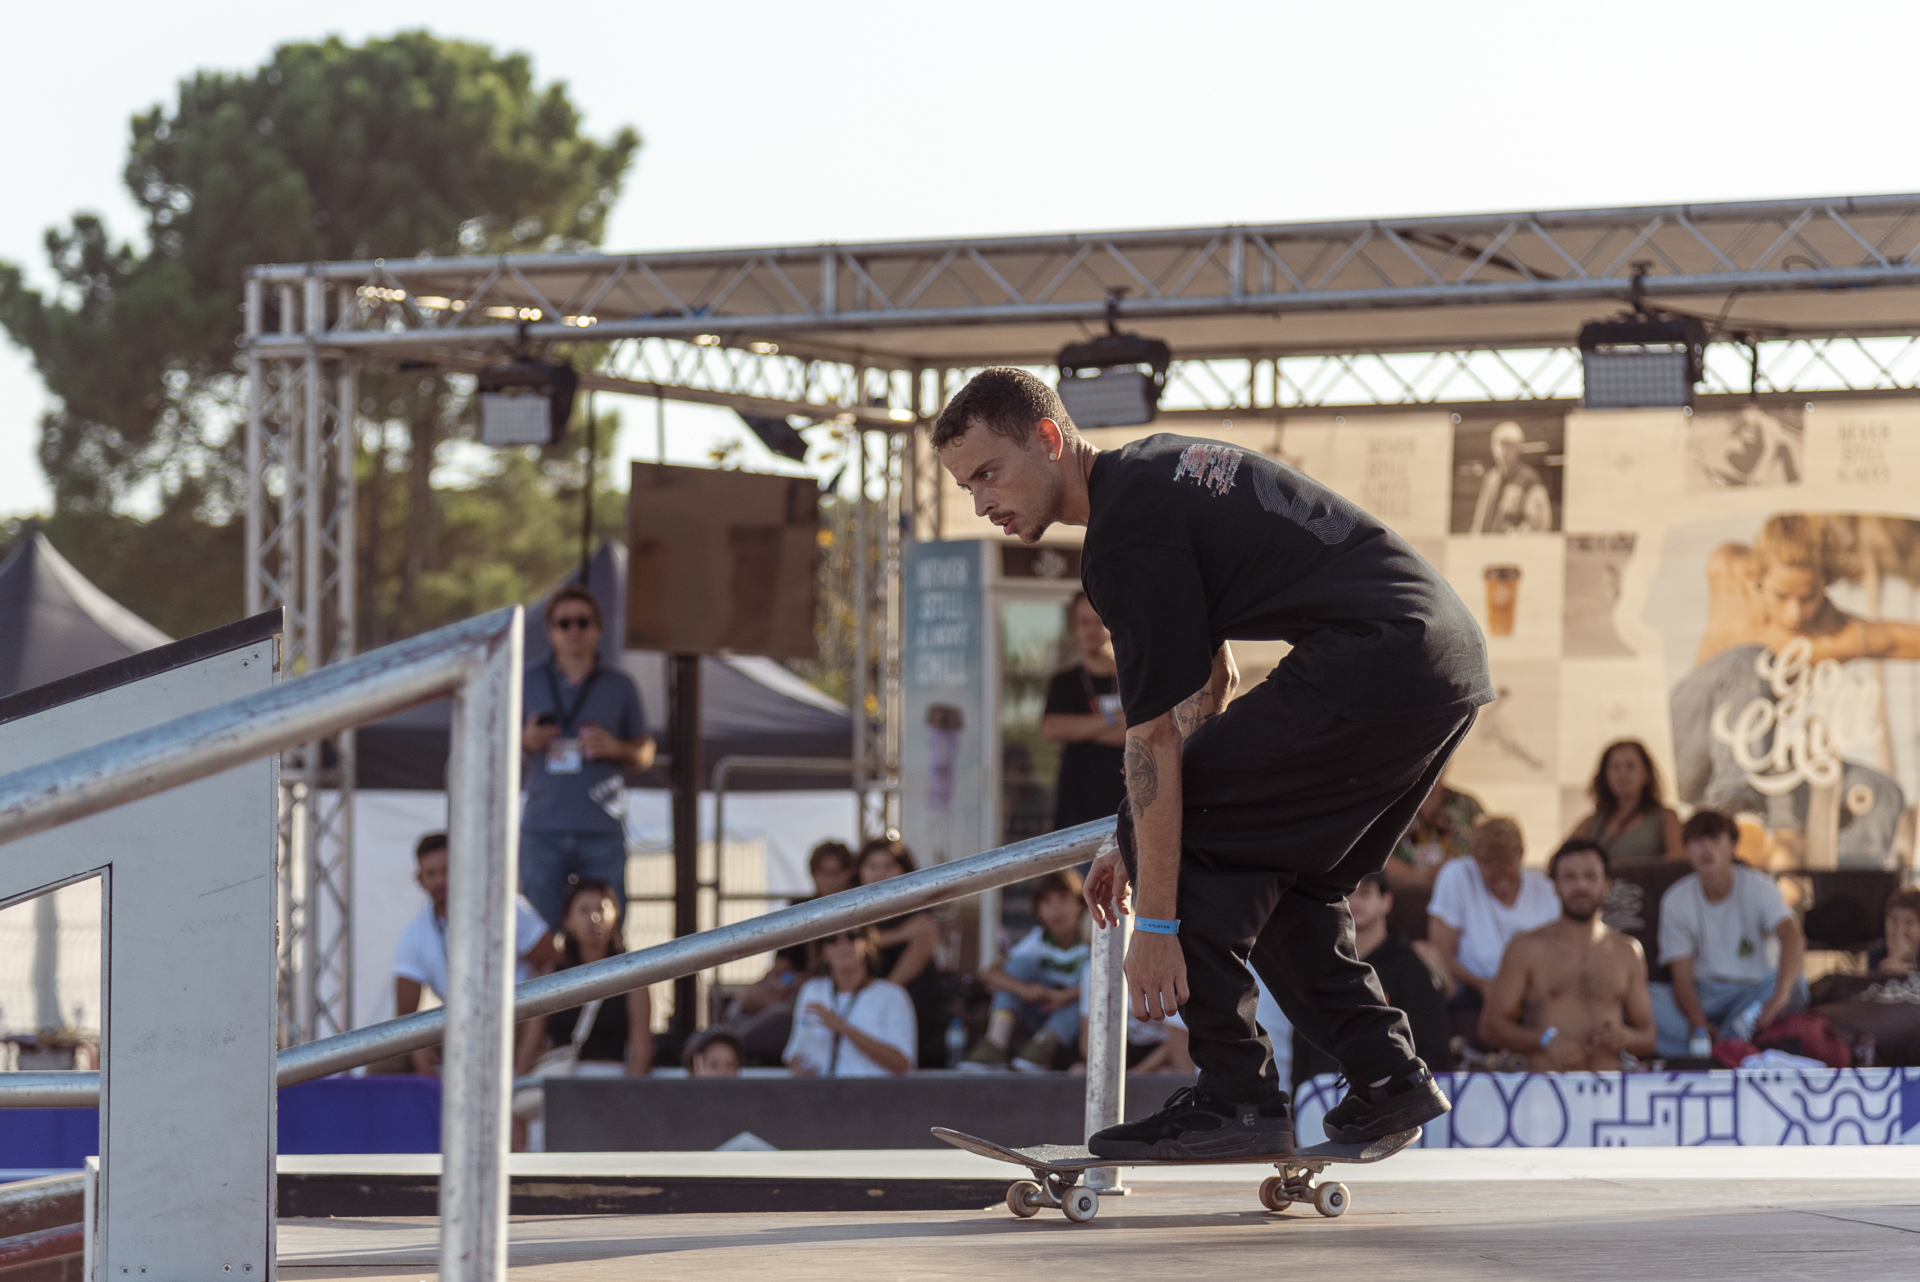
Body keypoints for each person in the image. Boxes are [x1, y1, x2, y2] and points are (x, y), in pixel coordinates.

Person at [933, 367, 1493, 1160]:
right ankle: (1386, 1074)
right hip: (1441, 661)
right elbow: (1213, 683)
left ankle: (1237, 1095)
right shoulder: (1155, 474)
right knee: (1290, 878)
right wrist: (1133, 831)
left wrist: (1154, 919)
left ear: (1050, 440)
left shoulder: (1123, 536)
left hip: (1373, 662)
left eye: (989, 473)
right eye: (966, 487)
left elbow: (1153, 740)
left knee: (1178, 830)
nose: (982, 502)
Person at [520, 586, 656, 931]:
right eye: (564, 623)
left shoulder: (619, 685)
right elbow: (493, 743)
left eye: (583, 622)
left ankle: (608, 989)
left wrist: (616, 747)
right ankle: (544, 989)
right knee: (537, 934)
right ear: (550, 630)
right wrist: (524, 739)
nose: (574, 631)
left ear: (598, 628)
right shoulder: (525, 681)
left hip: (601, 828)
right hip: (542, 828)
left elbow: (645, 752)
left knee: (606, 931)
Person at [1477, 839, 1657, 1071]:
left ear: (1607, 885)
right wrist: (1544, 1040)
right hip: (1546, 1092)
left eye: (1590, 876)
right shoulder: (1526, 948)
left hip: (1609, 1095)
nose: (1580, 885)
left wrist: (1626, 1038)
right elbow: (1490, 1028)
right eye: (1569, 877)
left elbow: (1648, 1037)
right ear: (1555, 886)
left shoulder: (1628, 952)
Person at [393, 832, 559, 1076]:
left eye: (447, 870)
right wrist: (423, 1064)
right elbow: (406, 1015)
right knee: (382, 1065)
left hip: (521, 1023)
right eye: (431, 874)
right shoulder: (414, 934)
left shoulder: (506, 907)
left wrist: (530, 1038)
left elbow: (552, 962)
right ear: (419, 879)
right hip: (464, 1033)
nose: (440, 880)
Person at [1650, 810, 1808, 1057]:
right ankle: (1733, 1042)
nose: (1706, 849)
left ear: (1733, 847)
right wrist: (1697, 1019)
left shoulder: (1760, 886)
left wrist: (1779, 996)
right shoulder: (1676, 899)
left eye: (1715, 840)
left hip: (1753, 992)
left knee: (1796, 985)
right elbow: (1681, 976)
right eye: (1697, 842)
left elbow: (1792, 936)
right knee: (1643, 1000)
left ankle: (1712, 1046)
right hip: (1703, 996)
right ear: (1686, 850)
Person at [1291, 873, 1452, 1090]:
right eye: (1346, 894)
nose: (1354, 902)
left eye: (1365, 893)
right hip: (1323, 1098)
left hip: (1395, 1100)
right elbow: (1304, 1045)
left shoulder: (1411, 967)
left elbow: (1433, 1046)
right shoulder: (1322, 966)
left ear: (1386, 901)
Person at [725, 840, 856, 1063]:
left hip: (836, 994)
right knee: (750, 997)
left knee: (786, 1013)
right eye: (824, 873)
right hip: (796, 992)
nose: (831, 880)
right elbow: (781, 968)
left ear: (849, 874)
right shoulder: (800, 909)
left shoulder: (860, 907)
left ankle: (729, 1047)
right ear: (813, 875)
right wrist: (788, 980)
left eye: (837, 873)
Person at [516, 878, 652, 1079]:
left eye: (602, 909)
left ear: (615, 916)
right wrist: (516, 1093)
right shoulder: (552, 974)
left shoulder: (633, 976)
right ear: (567, 921)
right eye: (583, 910)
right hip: (560, 1083)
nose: (594, 917)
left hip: (612, 1084)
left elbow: (641, 1052)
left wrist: (625, 1101)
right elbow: (529, 1047)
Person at [1425, 818, 1559, 1015]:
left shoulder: (1546, 892)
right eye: (1493, 879)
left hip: (1531, 993)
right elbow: (1441, 952)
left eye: (1510, 877)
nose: (1503, 886)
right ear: (1475, 862)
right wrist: (1483, 985)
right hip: (1469, 989)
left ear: (1521, 858)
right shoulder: (1456, 875)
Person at [965, 870, 1089, 1072]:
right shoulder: (1037, 940)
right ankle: (996, 1042)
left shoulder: (1090, 942)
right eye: (1047, 902)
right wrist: (1023, 988)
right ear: (1038, 912)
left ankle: (1044, 1044)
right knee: (1017, 966)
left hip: (1071, 1025)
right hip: (1037, 1012)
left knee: (1083, 1002)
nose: (1057, 909)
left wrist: (1066, 995)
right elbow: (989, 973)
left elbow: (1110, 983)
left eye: (1064, 899)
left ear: (1081, 906)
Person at [856, 837, 948, 1068]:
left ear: (904, 869)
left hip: (908, 998)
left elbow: (925, 940)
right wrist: (899, 935)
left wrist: (882, 996)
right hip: (857, 1001)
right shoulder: (852, 907)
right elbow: (849, 941)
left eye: (889, 866)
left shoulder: (917, 904)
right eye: (872, 866)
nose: (880, 874)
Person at [1041, 593, 1128, 830]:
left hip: (1127, 814)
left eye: (1099, 621)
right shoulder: (1064, 681)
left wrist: (1080, 730)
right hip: (1075, 815)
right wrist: (1114, 719)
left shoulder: (1132, 679)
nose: (1092, 629)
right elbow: (1051, 728)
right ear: (1074, 628)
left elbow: (1132, 734)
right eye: (1084, 622)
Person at [782, 928, 916, 1077]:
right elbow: (795, 1051)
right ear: (822, 951)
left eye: (852, 936)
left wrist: (842, 1027)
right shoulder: (812, 990)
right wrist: (798, 1067)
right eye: (832, 939)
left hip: (873, 1094)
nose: (843, 944)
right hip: (821, 1094)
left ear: (867, 944)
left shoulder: (892, 995)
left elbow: (902, 1064)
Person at [1565, 740, 1684, 866]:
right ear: (1605, 776)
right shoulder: (1591, 823)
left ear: (1646, 774)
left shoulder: (1665, 817)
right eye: (1615, 767)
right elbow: (1559, 860)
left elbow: (1678, 859)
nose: (1622, 774)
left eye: (1630, 766)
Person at [1383, 775, 1485, 894]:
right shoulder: (1390, 804)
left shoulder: (1467, 805)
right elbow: (1371, 858)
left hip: (1460, 897)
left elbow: (1492, 851)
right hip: (1402, 901)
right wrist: (1423, 878)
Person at [1469, 421, 1553, 534]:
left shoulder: (1530, 478)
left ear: (1518, 448)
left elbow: (1540, 523)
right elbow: (1480, 519)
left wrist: (1519, 535)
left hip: (1513, 547)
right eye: (1498, 444)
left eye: (1508, 446)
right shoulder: (1491, 478)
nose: (1502, 450)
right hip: (1488, 545)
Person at [1868, 888, 1920, 977]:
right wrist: (1893, 958)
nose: (1899, 930)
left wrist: (1908, 972)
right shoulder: (1877, 951)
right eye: (1893, 920)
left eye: (1909, 922)